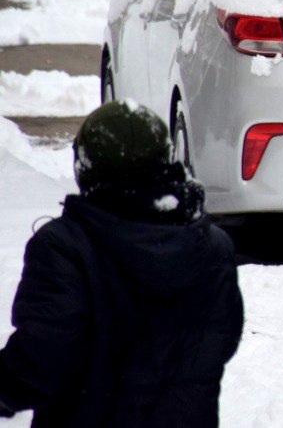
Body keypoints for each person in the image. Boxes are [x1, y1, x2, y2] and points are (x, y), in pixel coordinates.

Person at [0, 100, 244, 425]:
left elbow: (43, 358)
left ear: (86, 167)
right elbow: (219, 342)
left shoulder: (65, 247)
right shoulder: (212, 247)